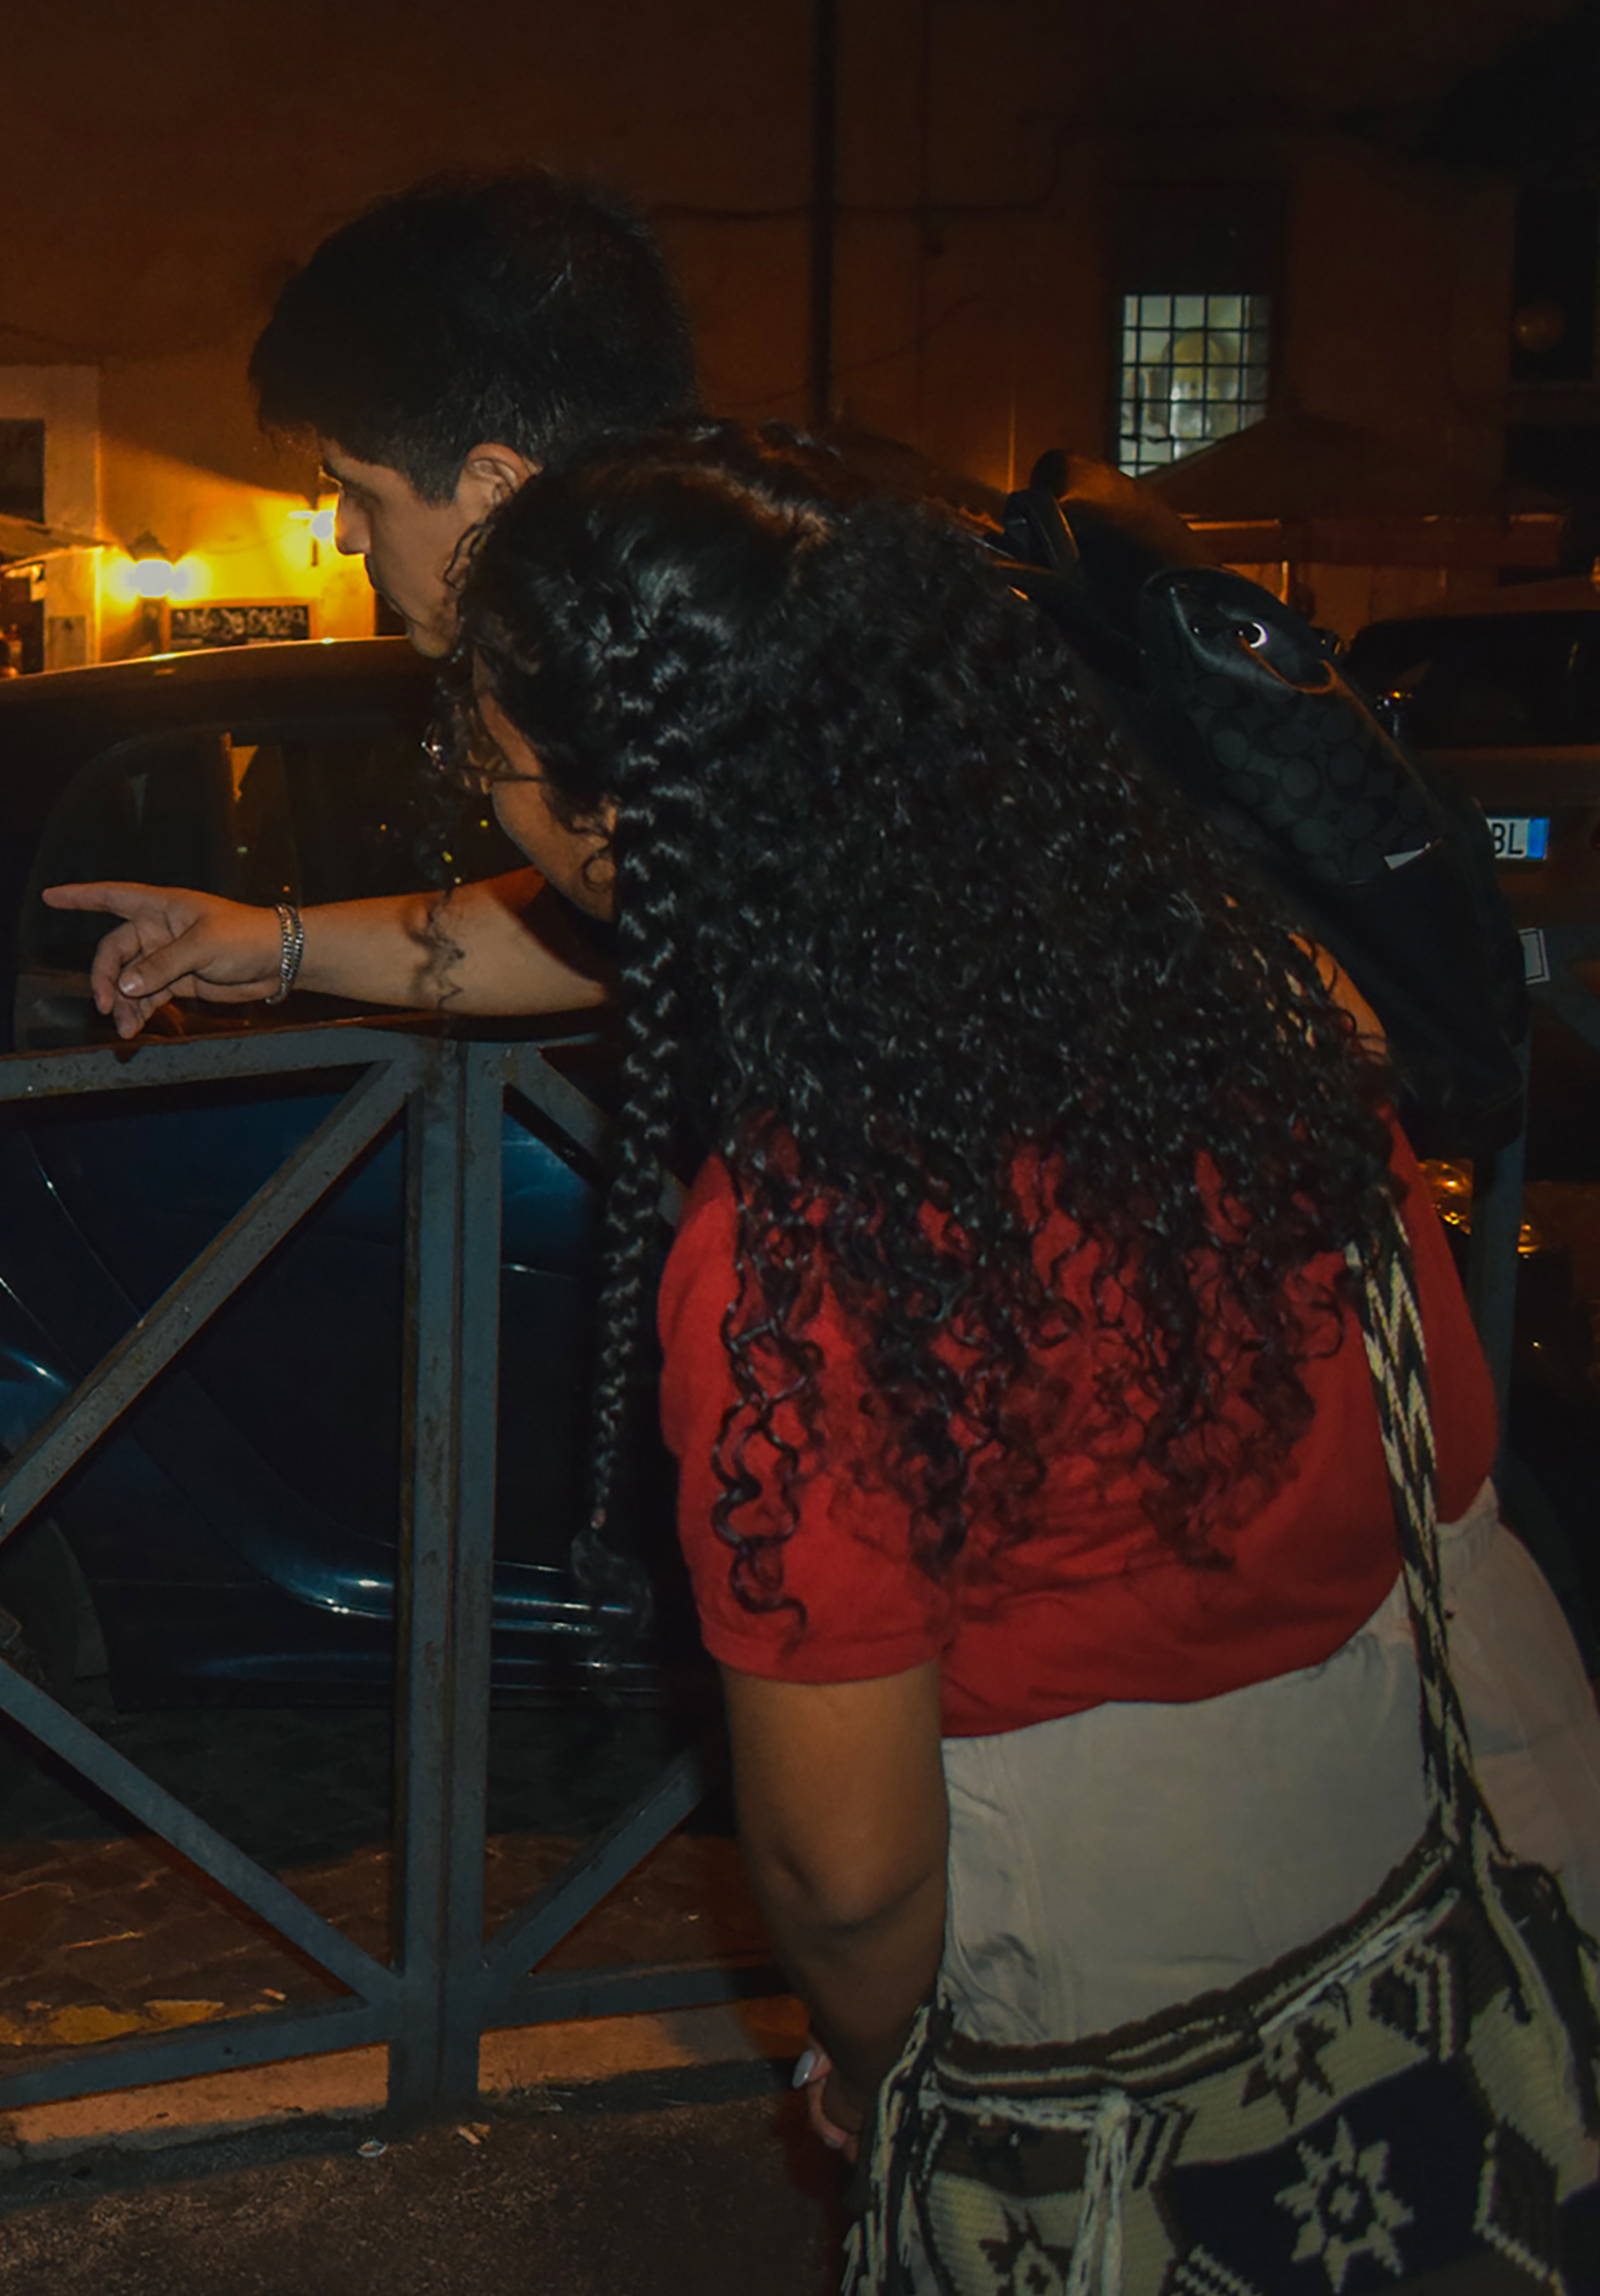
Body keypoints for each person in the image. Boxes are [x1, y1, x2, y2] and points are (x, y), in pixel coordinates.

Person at [442, 427, 1599, 2192]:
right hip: (1449, 1789)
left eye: (493, 762)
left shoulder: (801, 1236)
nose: (488, 796)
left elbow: (849, 1865)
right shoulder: (1229, 969)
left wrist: (865, 2066)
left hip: (1109, 1958)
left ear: (624, 825)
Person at [47, 166, 694, 1026]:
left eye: (358, 488)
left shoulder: (703, 712)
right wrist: (279, 945)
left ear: (495, 490)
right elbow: (602, 931)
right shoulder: (697, 642)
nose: (346, 532)